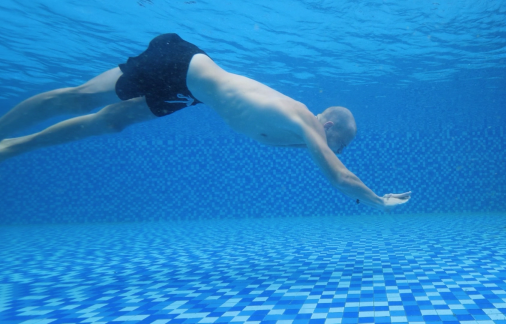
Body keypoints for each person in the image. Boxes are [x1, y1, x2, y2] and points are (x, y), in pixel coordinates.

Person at [0, 33, 411, 210]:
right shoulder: (304, 121)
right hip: (181, 62)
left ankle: (10, 148)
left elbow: (329, 164)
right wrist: (376, 200)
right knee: (82, 98)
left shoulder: (300, 137)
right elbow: (339, 177)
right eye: (341, 144)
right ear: (329, 126)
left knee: (110, 122)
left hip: (191, 91)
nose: (336, 152)